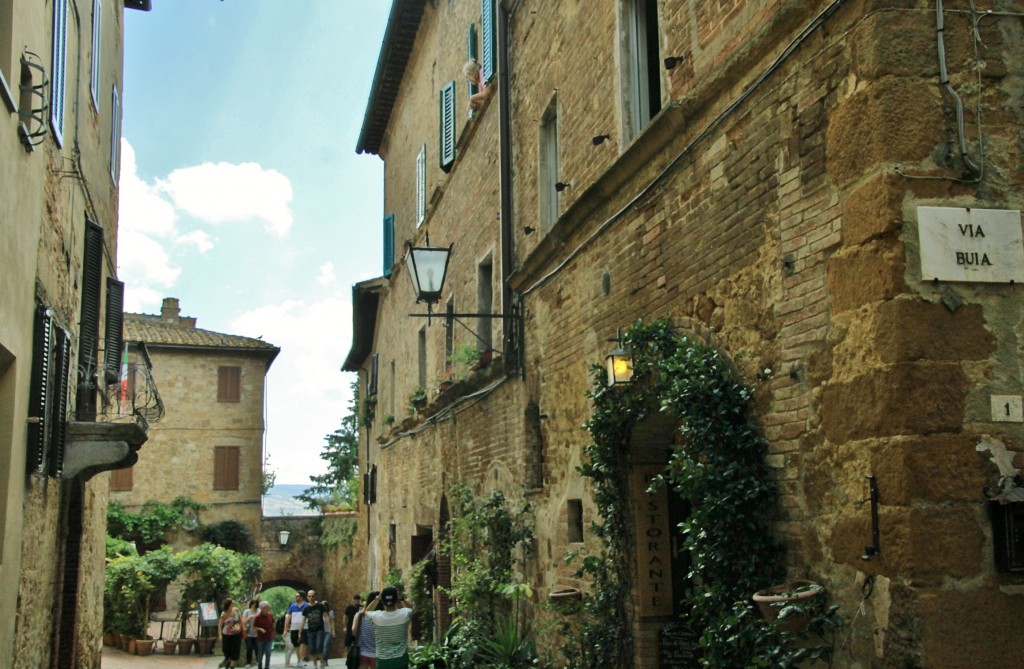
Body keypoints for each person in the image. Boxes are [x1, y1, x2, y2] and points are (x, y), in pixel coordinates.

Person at [362, 587, 414, 669]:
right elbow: (410, 608)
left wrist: (377, 598)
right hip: (401, 660)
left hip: (383, 662)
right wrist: (401, 598)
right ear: (397, 600)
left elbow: (367, 612)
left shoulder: (377, 617)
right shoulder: (404, 614)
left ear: (382, 601)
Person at [351, 590, 379, 668]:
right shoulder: (380, 617)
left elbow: (353, 632)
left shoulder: (359, 615)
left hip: (362, 653)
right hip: (377, 654)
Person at [304, 590, 328, 668]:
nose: (311, 597)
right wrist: (299, 631)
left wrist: (329, 626)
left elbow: (325, 616)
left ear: (315, 596)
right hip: (310, 631)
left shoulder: (320, 605)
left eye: (312, 596)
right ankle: (315, 666)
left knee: (318, 647)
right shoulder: (306, 608)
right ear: (307, 597)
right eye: (309, 596)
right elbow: (303, 620)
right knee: (312, 649)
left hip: (319, 629)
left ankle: (322, 662)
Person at [285, 591, 309, 667]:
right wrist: (285, 629)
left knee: (303, 643)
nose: (295, 597)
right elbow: (288, 617)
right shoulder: (292, 606)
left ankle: (301, 660)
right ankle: (299, 660)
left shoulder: (306, 605)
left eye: (297, 596)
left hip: (304, 628)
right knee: (296, 645)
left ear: (301, 597)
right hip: (294, 628)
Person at [218, 597, 243, 669]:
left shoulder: (236, 610)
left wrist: (239, 627)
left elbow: (240, 621)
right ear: (228, 605)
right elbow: (220, 625)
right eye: (231, 603)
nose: (233, 604)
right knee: (226, 651)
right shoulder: (224, 614)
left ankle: (232, 667)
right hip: (226, 634)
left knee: (235, 651)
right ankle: (227, 664)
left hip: (236, 634)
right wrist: (220, 635)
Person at [254, 601, 275, 669]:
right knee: (260, 653)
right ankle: (259, 665)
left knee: (268, 651)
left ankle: (267, 666)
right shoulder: (257, 617)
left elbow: (273, 624)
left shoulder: (270, 615)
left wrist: (273, 633)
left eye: (268, 608)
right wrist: (260, 629)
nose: (267, 609)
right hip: (261, 638)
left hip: (269, 637)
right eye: (266, 608)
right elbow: (254, 626)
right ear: (262, 608)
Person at [242, 598, 260, 667]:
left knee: (257, 648)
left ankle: (258, 661)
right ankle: (248, 662)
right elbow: (243, 622)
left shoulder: (259, 611)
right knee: (249, 648)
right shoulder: (246, 611)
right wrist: (249, 618)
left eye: (255, 604)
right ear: (251, 604)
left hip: (257, 633)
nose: (254, 606)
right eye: (253, 604)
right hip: (248, 633)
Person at [322, 599, 335, 666]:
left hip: (328, 631)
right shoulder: (319, 612)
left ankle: (325, 660)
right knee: (321, 646)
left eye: (325, 605)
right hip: (320, 631)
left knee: (325, 645)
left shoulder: (330, 612)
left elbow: (332, 622)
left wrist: (333, 631)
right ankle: (322, 660)